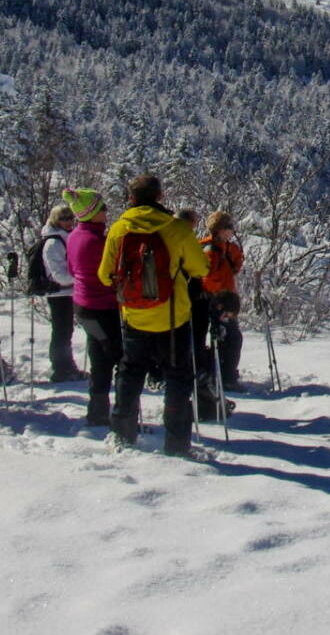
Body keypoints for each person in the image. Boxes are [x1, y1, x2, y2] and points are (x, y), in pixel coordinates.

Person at [97, 175, 218, 456]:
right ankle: (176, 445)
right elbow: (201, 268)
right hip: (173, 317)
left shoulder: (119, 229)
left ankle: (122, 435)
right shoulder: (176, 228)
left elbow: (105, 276)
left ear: (131, 198)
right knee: (177, 378)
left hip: (133, 315)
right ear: (160, 196)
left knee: (130, 373)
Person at [64, 188, 121, 427]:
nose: (106, 212)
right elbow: (113, 273)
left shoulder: (74, 236)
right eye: (102, 208)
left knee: (98, 357)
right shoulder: (97, 241)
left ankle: (97, 410)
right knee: (117, 357)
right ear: (91, 212)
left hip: (83, 306)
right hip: (103, 307)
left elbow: (70, 270)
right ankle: (121, 413)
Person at [198, 211, 245, 401]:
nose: (233, 231)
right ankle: (226, 377)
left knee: (226, 338)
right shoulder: (211, 250)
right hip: (219, 302)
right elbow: (209, 278)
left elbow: (235, 266)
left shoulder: (224, 247)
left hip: (221, 301)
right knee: (231, 338)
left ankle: (220, 374)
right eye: (229, 227)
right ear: (221, 230)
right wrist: (222, 298)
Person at [37, 204, 85, 382]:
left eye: (70, 217)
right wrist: (80, 277)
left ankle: (66, 366)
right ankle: (61, 368)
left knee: (65, 330)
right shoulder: (53, 242)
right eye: (63, 218)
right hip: (59, 293)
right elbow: (58, 275)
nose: (68, 221)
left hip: (67, 292)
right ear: (55, 220)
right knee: (61, 331)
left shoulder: (65, 238)